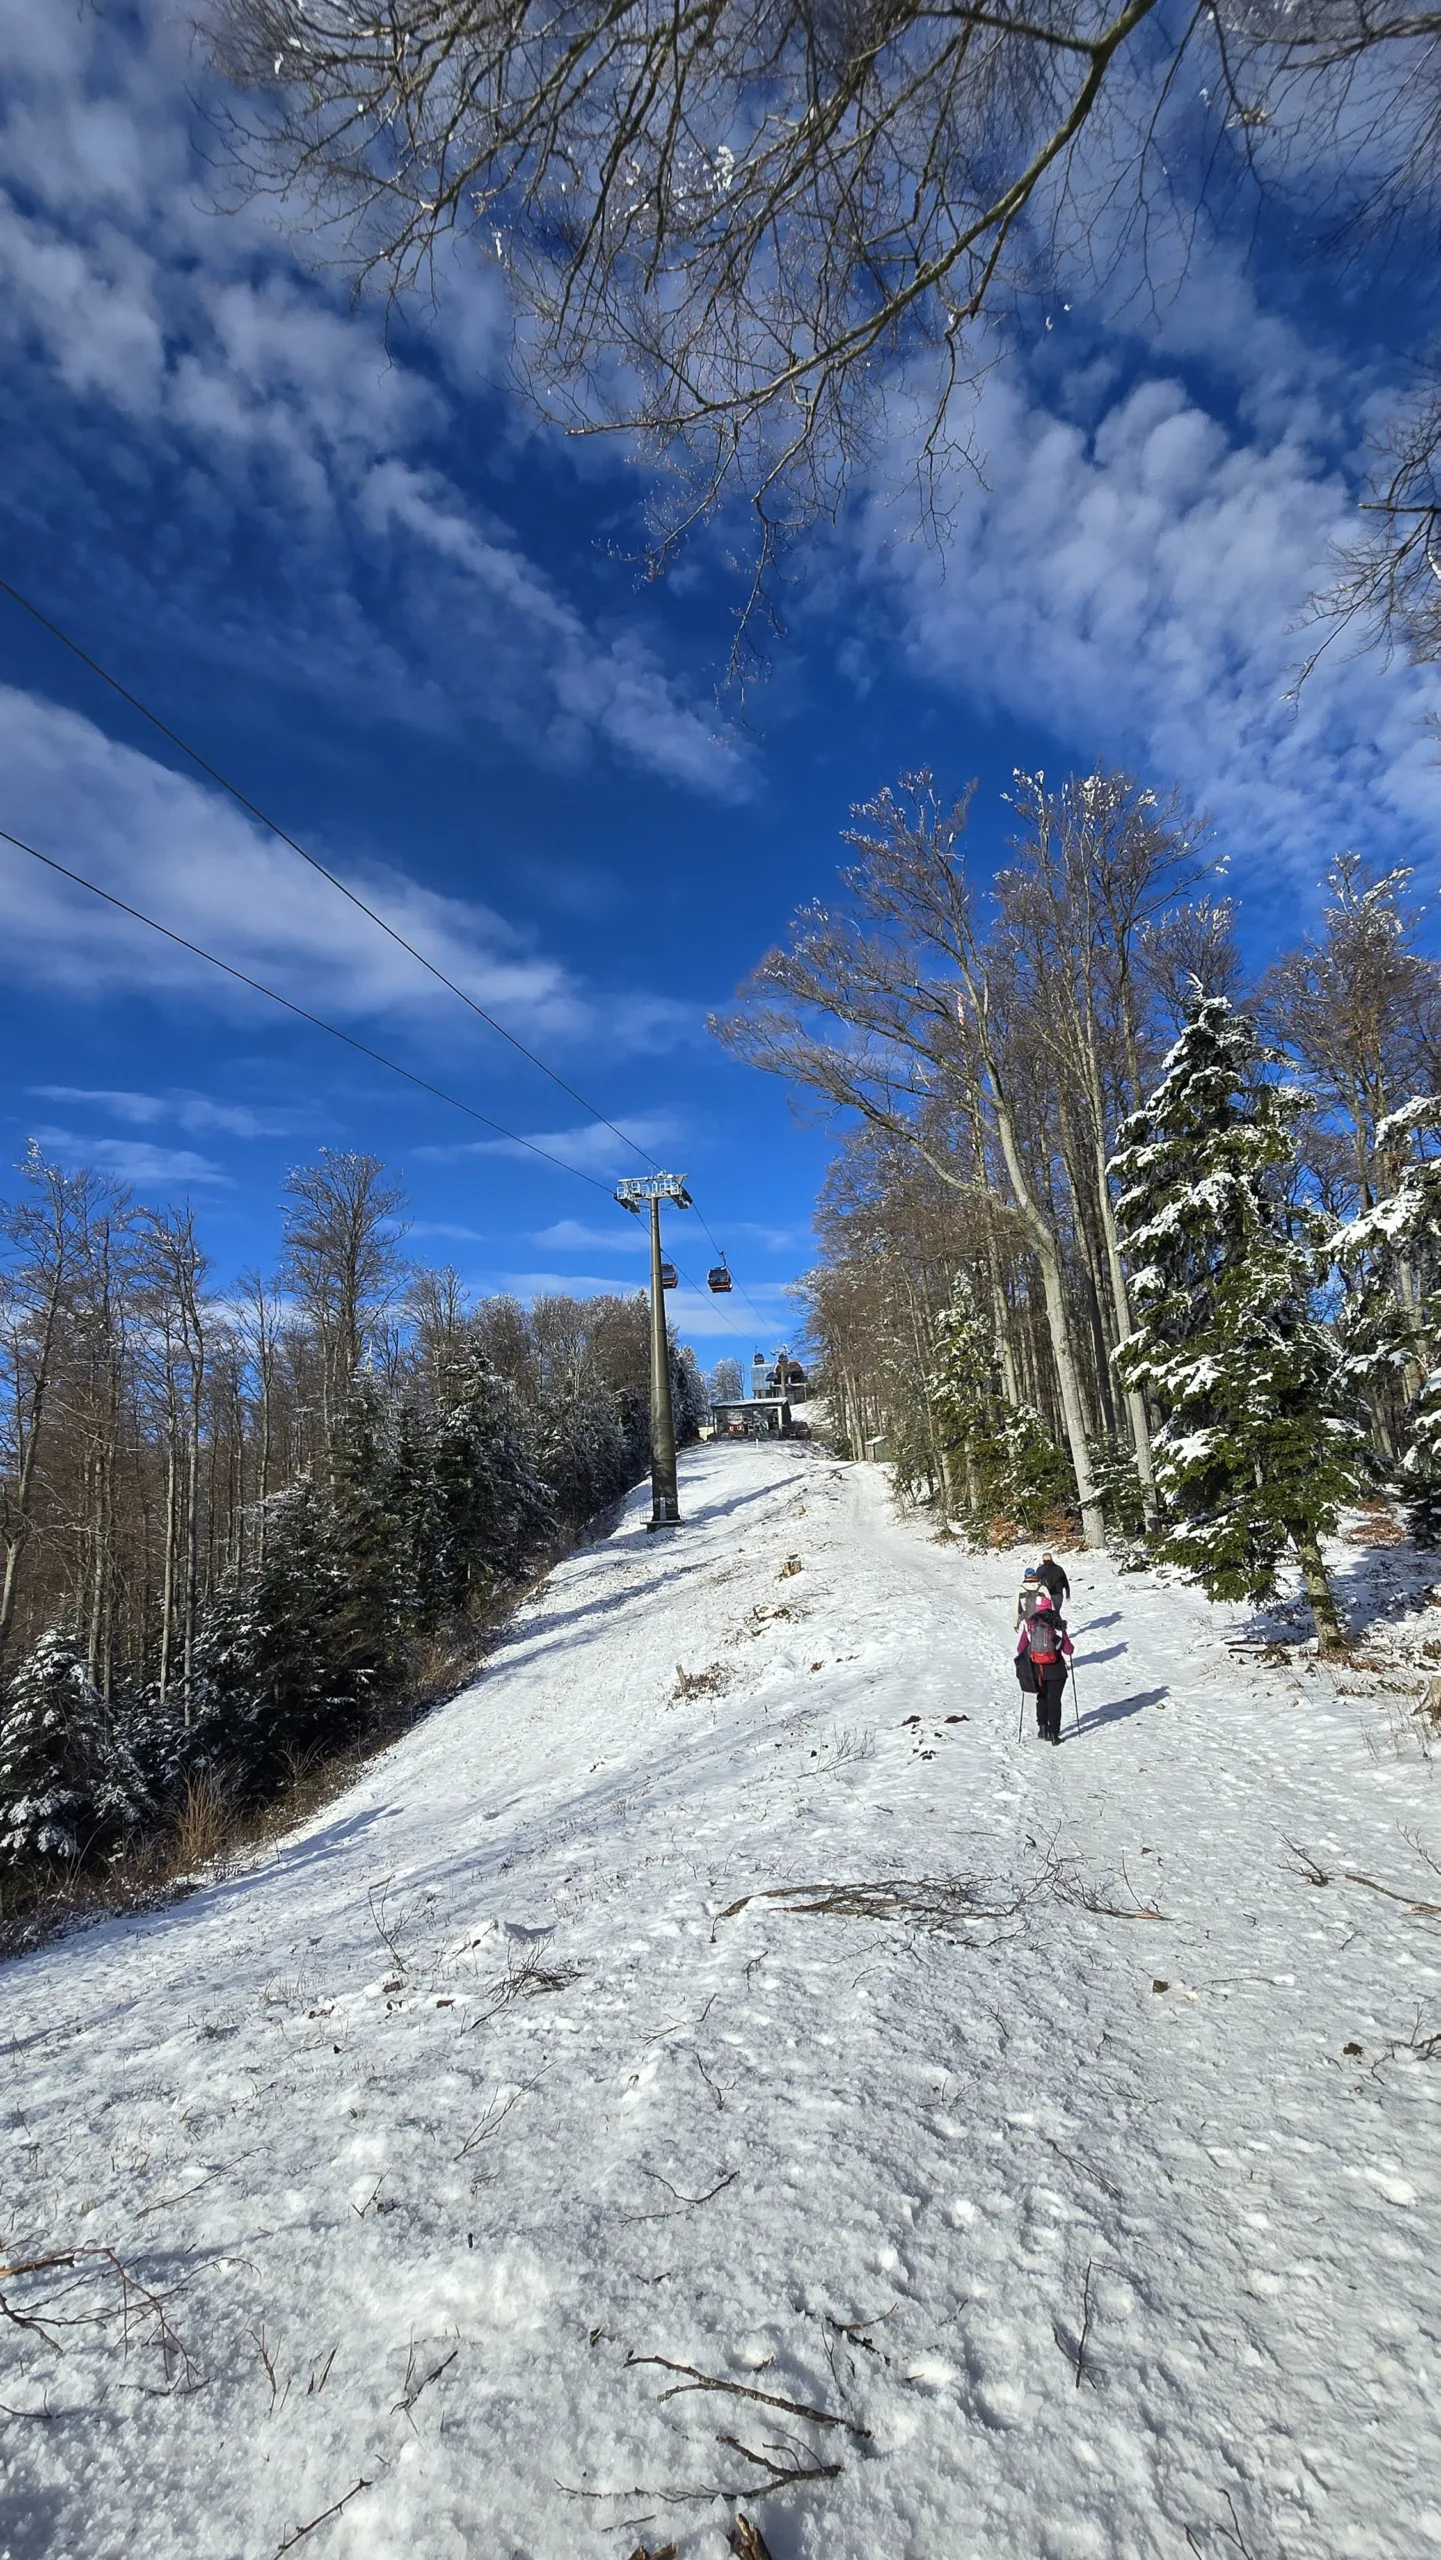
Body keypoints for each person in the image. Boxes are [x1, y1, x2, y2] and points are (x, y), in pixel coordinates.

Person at [1016, 1587, 1073, 1744]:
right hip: (1056, 1671)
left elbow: (1020, 1649)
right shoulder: (1057, 1625)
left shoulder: (1030, 1625)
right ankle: (1054, 1734)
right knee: (1054, 1700)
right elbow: (1068, 1650)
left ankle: (1042, 1728)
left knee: (1042, 1698)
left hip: (1037, 1670)